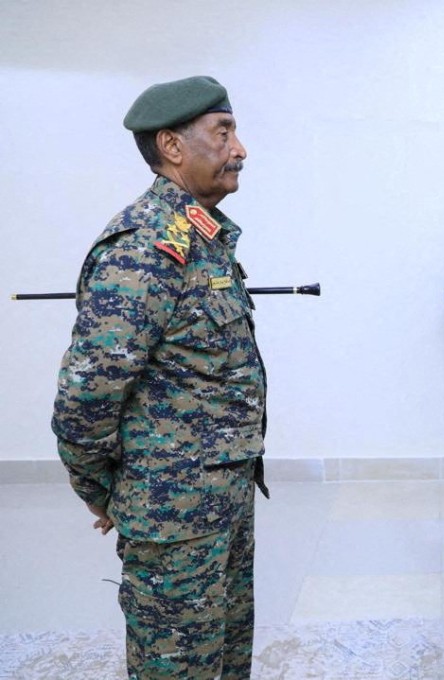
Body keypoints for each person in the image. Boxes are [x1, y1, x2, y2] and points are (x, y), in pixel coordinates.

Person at [52, 75, 269, 679]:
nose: (240, 149)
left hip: (222, 503)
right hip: (172, 518)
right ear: (172, 146)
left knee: (225, 662)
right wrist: (106, 491)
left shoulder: (202, 236)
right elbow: (86, 395)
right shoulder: (145, 246)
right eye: (223, 133)